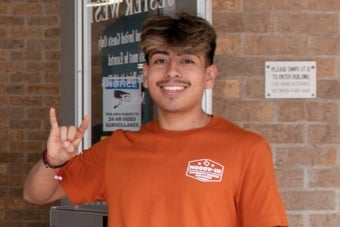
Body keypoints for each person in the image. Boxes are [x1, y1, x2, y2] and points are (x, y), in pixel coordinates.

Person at [23, 12, 289, 227]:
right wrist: (53, 161)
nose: (172, 72)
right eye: (161, 60)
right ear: (146, 75)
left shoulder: (247, 149)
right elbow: (37, 194)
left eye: (187, 61)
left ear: (209, 76)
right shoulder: (117, 149)